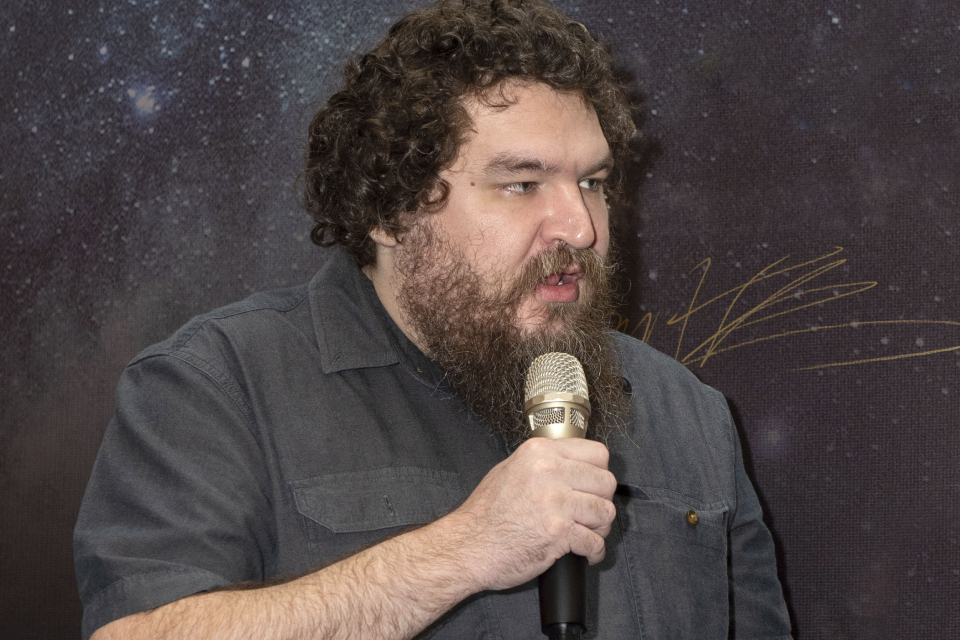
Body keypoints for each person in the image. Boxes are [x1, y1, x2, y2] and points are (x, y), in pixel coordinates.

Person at [74, 1, 793, 639]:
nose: (580, 227)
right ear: (389, 210)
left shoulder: (686, 412)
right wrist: (463, 550)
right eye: (522, 184)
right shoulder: (218, 386)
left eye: (592, 182)